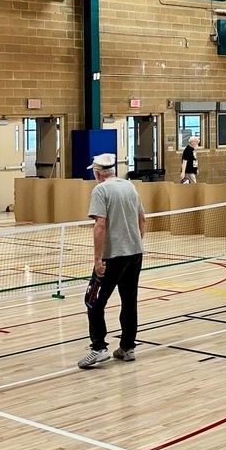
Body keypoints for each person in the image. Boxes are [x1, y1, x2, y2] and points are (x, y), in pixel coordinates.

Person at [78, 153, 147, 369]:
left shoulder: (101, 190)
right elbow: (142, 219)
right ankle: (127, 347)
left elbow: (100, 225)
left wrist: (98, 259)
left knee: (94, 301)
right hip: (135, 254)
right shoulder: (129, 186)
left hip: (112, 256)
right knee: (129, 300)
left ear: (97, 173)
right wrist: (135, 243)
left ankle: (98, 348)